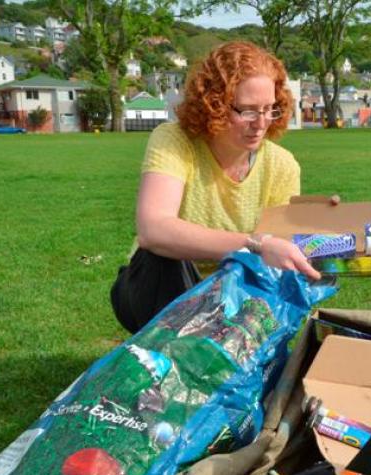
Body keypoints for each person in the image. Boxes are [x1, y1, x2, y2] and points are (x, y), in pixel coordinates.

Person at [110, 41, 321, 334]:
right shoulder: (175, 141)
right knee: (163, 254)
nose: (260, 124)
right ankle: (173, 356)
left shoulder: (282, 165)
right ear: (214, 104)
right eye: (247, 111)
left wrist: (321, 227)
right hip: (158, 287)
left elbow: (277, 253)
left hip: (234, 292)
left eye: (269, 109)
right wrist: (253, 244)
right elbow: (153, 229)